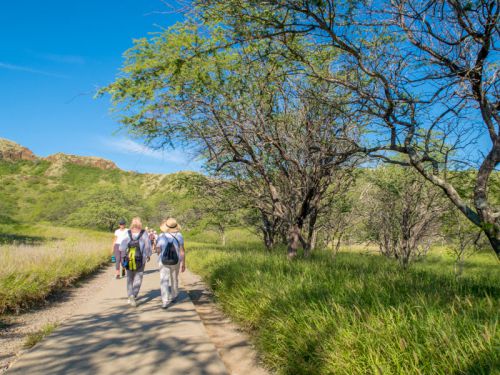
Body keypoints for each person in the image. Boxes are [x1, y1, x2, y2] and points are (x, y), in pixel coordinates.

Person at [119, 217, 152, 307]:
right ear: (140, 223)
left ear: (132, 223)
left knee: (129, 278)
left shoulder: (128, 233)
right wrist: (148, 255)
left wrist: (126, 252)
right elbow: (148, 246)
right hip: (141, 259)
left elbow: (121, 247)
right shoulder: (144, 233)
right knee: (138, 277)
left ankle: (130, 296)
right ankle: (134, 294)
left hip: (129, 258)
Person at [156, 218, 186, 308]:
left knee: (164, 280)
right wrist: (183, 263)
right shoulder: (179, 235)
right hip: (176, 261)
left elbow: (158, 249)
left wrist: (159, 252)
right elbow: (182, 251)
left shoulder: (161, 236)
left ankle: (165, 301)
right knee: (174, 278)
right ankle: (174, 296)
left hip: (163, 261)